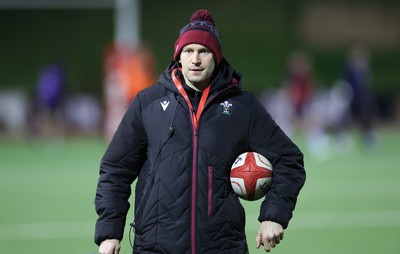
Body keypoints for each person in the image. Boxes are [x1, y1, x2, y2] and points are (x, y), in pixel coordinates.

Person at [95, 9, 306, 254]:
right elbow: (116, 169)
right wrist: (110, 232)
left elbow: (289, 161)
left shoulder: (242, 107)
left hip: (222, 247)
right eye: (188, 51)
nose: (195, 59)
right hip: (155, 247)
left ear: (216, 57)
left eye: (204, 51)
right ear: (178, 57)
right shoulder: (148, 103)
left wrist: (274, 215)